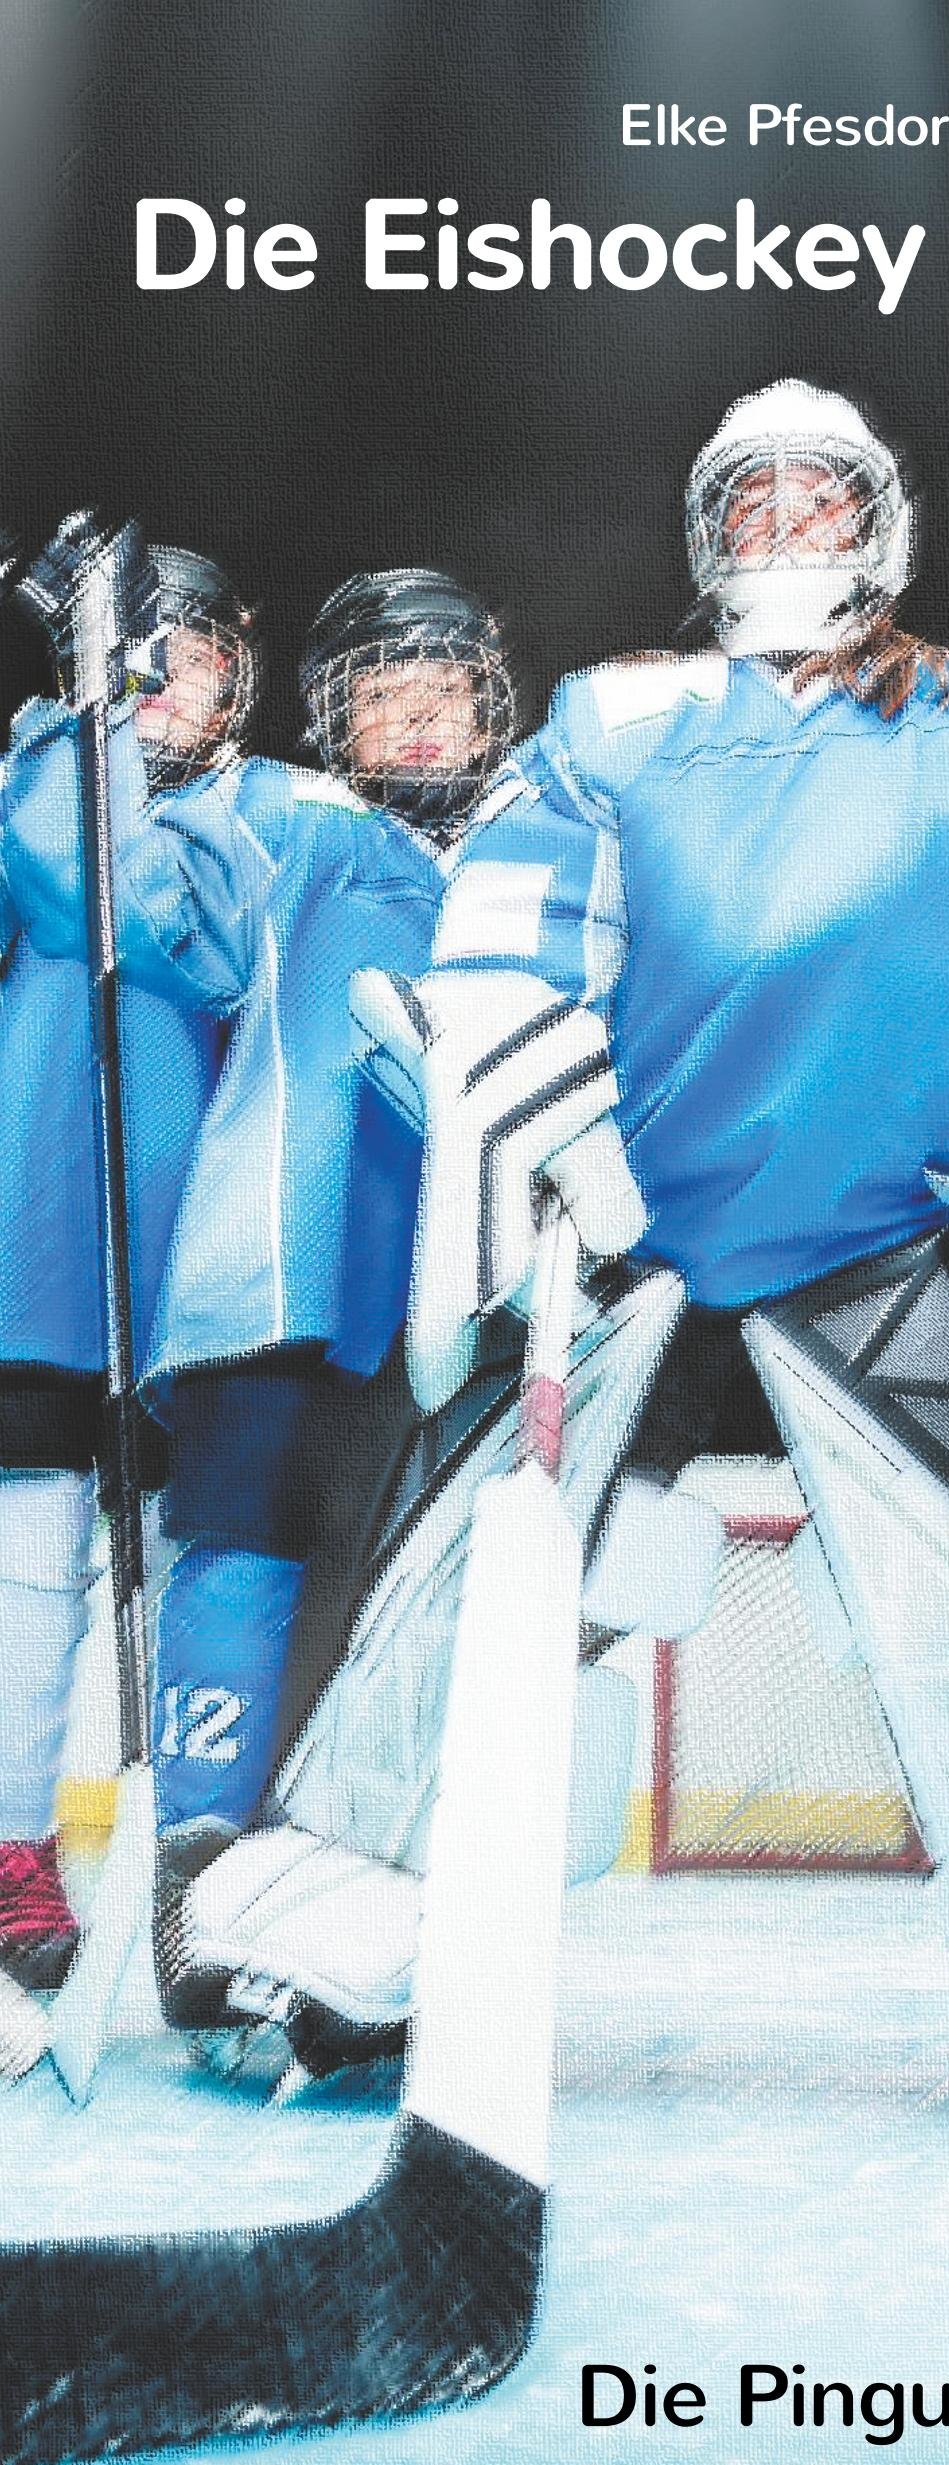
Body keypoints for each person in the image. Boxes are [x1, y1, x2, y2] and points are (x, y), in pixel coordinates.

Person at [196, 380, 949, 2132]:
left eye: (819, 499)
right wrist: (530, 1089)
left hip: (895, 1228)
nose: (788, 529)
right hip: (624, 1234)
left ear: (881, 522)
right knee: (437, 1575)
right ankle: (343, 1925)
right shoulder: (613, 717)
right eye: (755, 502)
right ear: (711, 535)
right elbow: (513, 923)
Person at [1, 557, 529, 1897]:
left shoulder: (551, 853)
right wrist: (85, 715)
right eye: (384, 693)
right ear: (332, 718)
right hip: (283, 1285)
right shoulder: (288, 822)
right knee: (233, 1559)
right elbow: (107, 898)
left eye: (445, 689)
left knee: (434, 1598)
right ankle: (196, 1871)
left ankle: (363, 1885)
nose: (419, 717)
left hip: (490, 1300)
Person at [0, 538, 252, 1989]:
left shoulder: (246, 826)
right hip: (40, 1254)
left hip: (192, 1276)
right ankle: (11, 1843)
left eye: (198, 663)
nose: (171, 688)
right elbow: (55, 889)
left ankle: (196, 1851)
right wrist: (69, 731)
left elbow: (185, 943)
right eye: (145, 664)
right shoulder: (31, 790)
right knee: (27, 1569)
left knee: (187, 1565)